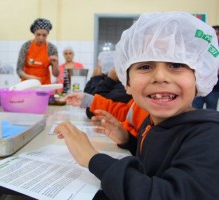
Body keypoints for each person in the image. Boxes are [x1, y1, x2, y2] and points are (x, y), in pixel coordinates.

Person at [54, 12, 219, 199]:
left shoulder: (209, 136)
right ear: (127, 83)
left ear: (199, 77)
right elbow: (154, 160)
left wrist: (93, 159)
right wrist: (127, 140)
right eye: (145, 66)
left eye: (176, 64)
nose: (160, 77)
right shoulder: (151, 122)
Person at [16, 18, 59, 85]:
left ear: (48, 34)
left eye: (44, 35)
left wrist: (55, 64)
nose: (41, 38)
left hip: (44, 86)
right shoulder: (26, 46)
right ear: (34, 33)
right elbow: (19, 70)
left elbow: (56, 74)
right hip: (27, 85)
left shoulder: (51, 48)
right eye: (38, 35)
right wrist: (30, 78)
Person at [192, 25, 219, 110]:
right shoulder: (200, 48)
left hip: (214, 89)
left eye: (217, 34)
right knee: (195, 111)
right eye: (213, 34)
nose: (215, 36)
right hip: (197, 86)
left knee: (211, 112)